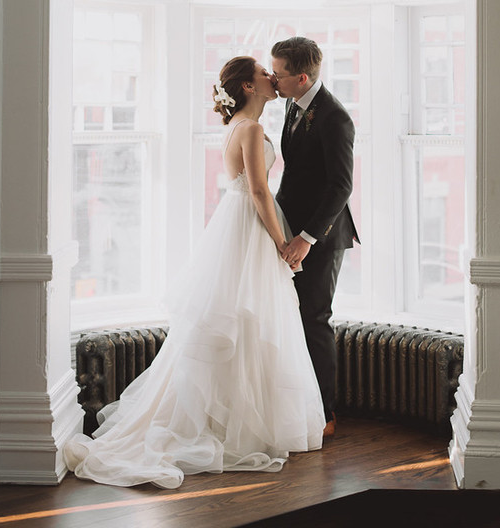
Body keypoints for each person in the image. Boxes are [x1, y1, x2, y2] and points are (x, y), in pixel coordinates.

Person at [64, 56, 325, 489]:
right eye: (263, 72)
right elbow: (259, 190)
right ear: (247, 86)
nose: (270, 77)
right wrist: (282, 241)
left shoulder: (237, 128)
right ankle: (237, 428)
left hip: (235, 224)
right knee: (248, 320)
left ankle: (234, 422)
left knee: (242, 321)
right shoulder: (253, 129)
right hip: (250, 224)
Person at [271, 37, 359, 438]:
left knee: (314, 320)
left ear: (302, 77)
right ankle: (293, 404)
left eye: (279, 73)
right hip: (288, 227)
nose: (274, 79)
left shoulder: (335, 118)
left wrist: (306, 237)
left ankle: (325, 414)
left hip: (321, 237)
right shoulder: (292, 103)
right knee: (287, 317)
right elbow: (296, 175)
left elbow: (341, 187)